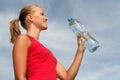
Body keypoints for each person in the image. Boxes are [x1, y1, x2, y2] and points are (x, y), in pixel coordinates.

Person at [9, 4, 85, 80]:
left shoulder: (47, 52)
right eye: (42, 14)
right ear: (30, 17)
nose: (46, 18)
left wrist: (80, 50)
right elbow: (19, 78)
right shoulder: (23, 39)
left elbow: (67, 77)